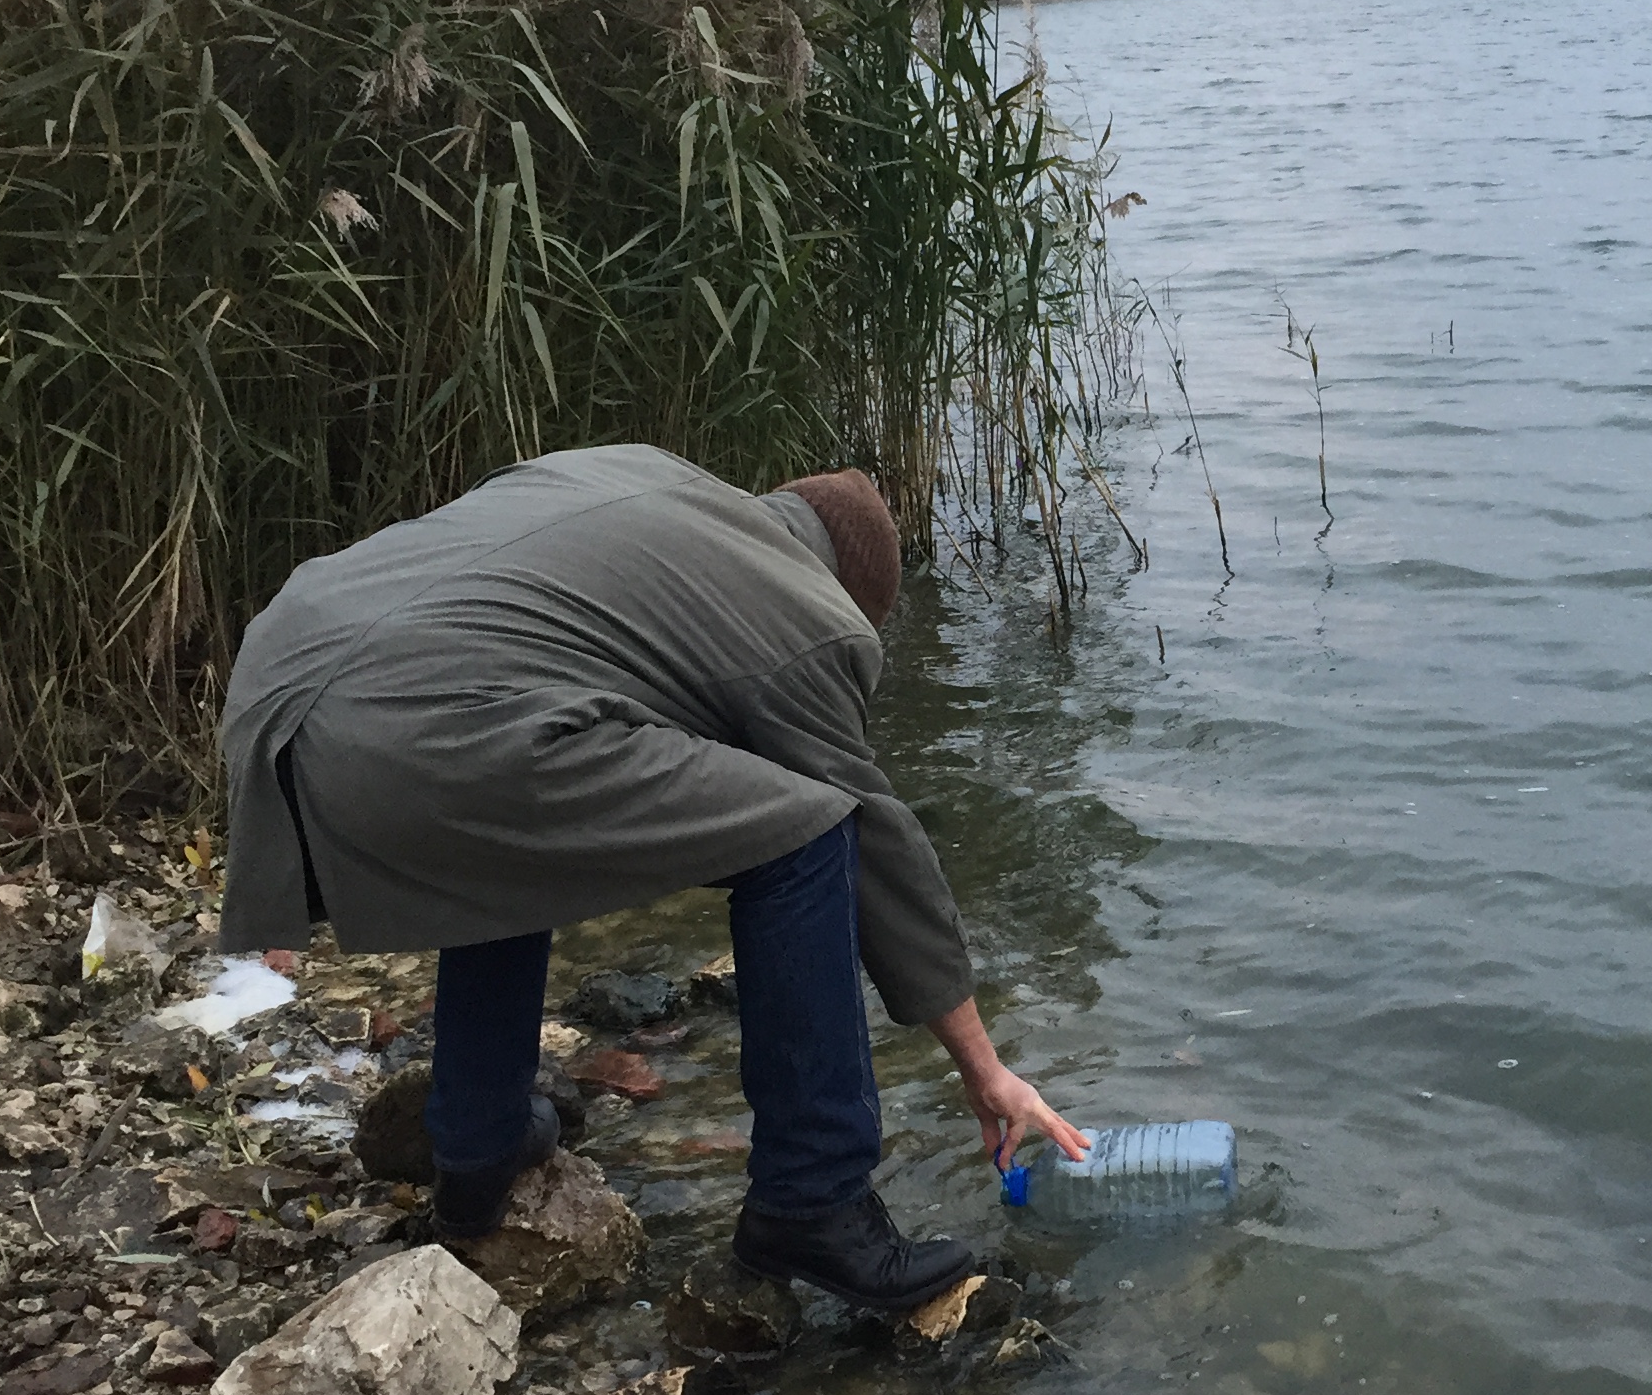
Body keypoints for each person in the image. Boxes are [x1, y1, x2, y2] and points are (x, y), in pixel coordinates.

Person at [214, 443, 1085, 1315]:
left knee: (523, 810)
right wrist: (984, 1069)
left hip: (279, 686)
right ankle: (815, 1200)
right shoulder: (815, 613)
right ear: (854, 596)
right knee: (810, 831)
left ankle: (478, 1152)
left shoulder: (648, 479)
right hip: (420, 730)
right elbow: (879, 844)